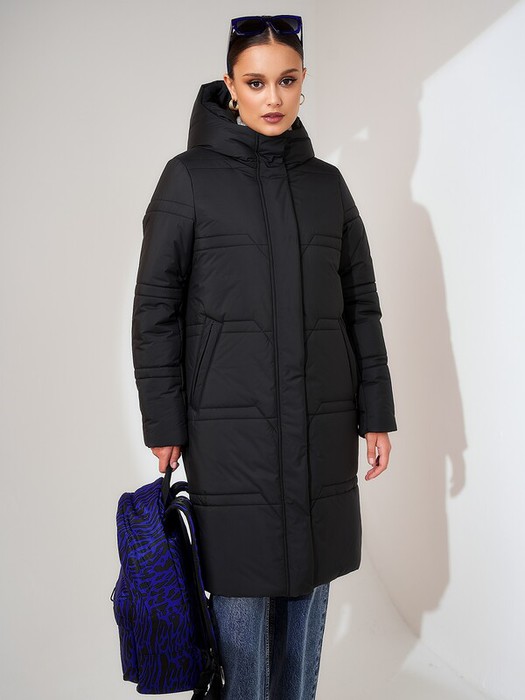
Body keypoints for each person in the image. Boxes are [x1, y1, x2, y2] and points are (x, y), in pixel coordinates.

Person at [131, 14, 397, 700]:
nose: (272, 98)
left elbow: (360, 306)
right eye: (255, 82)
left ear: (304, 83)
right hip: (228, 433)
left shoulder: (327, 186)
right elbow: (155, 309)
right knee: (241, 622)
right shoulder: (187, 180)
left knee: (305, 605)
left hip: (320, 428)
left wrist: (376, 412)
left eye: (286, 80)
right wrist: (164, 422)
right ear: (230, 85)